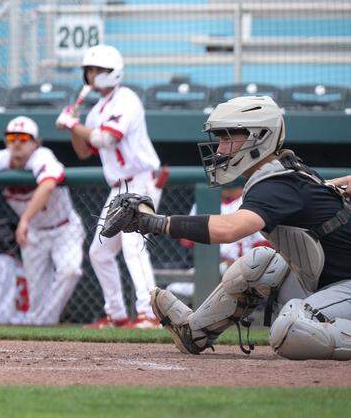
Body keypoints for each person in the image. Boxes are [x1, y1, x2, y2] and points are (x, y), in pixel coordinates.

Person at [101, 95, 351, 360]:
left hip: (344, 286)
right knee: (261, 263)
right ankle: (194, 331)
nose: (220, 149)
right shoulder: (281, 175)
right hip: (327, 283)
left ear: (260, 136)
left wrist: (154, 222)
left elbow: (230, 229)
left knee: (292, 330)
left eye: (227, 138)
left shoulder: (277, 183)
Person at [56, 44, 162, 329]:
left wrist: (74, 126)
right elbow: (83, 150)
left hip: (141, 180)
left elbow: (108, 138)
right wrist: (73, 125)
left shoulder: (127, 99)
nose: (93, 75)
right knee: (99, 252)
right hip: (119, 187)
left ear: (113, 72)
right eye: (90, 70)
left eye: (99, 70)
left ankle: (150, 313)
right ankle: (117, 315)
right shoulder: (96, 111)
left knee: (133, 243)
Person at [0, 116, 83, 325]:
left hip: (63, 227)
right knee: (36, 294)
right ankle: (39, 326)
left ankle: (45, 323)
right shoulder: (1, 158)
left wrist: (24, 219)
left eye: (24, 138)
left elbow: (48, 185)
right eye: (12, 137)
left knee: (70, 270)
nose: (17, 142)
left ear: (36, 142)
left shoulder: (43, 156)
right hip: (34, 231)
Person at [164, 184, 270, 301]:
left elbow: (264, 249)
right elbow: (189, 243)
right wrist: (212, 261)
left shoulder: (251, 203)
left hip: (246, 272)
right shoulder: (205, 201)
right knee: (173, 290)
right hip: (210, 268)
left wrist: (238, 263)